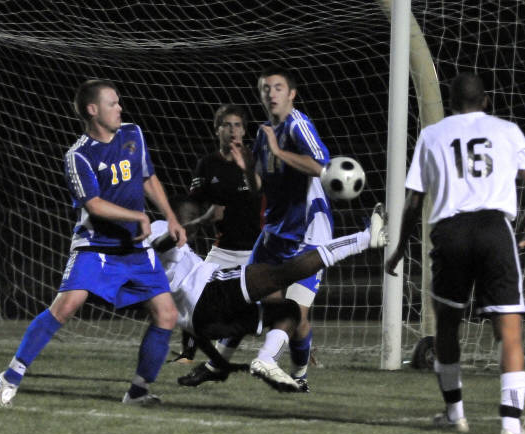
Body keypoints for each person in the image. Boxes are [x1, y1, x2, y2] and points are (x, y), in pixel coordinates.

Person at [0, 79, 187, 407]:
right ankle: (10, 375)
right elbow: (94, 205)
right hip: (96, 246)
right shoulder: (78, 155)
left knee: (167, 315)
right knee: (66, 306)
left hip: (135, 247)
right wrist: (137, 216)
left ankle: (138, 391)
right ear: (93, 110)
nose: (120, 108)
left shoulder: (133, 134)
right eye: (113, 103)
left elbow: (148, 178)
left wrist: (170, 217)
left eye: (119, 102)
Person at [385, 72, 525, 434]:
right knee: (509, 330)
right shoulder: (507, 130)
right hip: (494, 229)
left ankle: (455, 415)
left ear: (452, 102)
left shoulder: (432, 135)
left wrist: (400, 247)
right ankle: (511, 426)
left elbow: (414, 201)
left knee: (447, 325)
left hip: (450, 232)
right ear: (485, 100)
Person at [182, 65, 336, 392]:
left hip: (309, 233)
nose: (271, 93)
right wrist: (247, 169)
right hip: (275, 233)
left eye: (278, 87)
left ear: (291, 94)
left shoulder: (297, 125)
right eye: (265, 88)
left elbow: (321, 166)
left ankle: (297, 374)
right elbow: (259, 188)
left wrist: (279, 152)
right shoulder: (265, 134)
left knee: (297, 312)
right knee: (245, 296)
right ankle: (216, 366)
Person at [150, 198, 387, 391]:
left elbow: (194, 330)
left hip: (204, 323)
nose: (192, 219)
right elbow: (161, 243)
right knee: (282, 273)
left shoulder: (155, 263)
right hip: (209, 292)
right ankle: (364, 239)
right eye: (189, 215)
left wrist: (220, 363)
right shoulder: (157, 227)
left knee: (288, 310)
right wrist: (197, 222)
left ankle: (266, 359)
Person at [172, 104, 262, 372]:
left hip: (258, 250)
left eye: (237, 125)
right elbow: (194, 203)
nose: (233, 130)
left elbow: (262, 194)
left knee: (273, 303)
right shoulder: (207, 165)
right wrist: (196, 221)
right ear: (217, 130)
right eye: (227, 125)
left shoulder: (254, 160)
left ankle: (301, 350)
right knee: (193, 295)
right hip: (223, 248)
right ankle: (187, 354)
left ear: (244, 131)